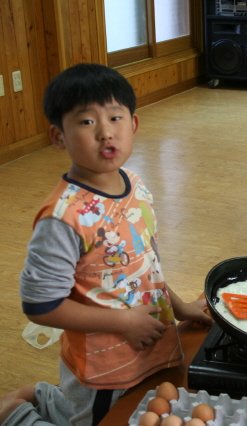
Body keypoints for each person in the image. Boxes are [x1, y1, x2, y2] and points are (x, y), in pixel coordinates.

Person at [11, 63, 212, 426]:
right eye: (87, 121)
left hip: (147, 345)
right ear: (59, 137)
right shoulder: (63, 218)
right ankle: (15, 411)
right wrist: (124, 322)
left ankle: (43, 396)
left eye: (115, 117)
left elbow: (144, 265)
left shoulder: (136, 185)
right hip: (104, 368)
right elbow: (41, 306)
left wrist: (179, 306)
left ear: (133, 124)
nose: (105, 133)